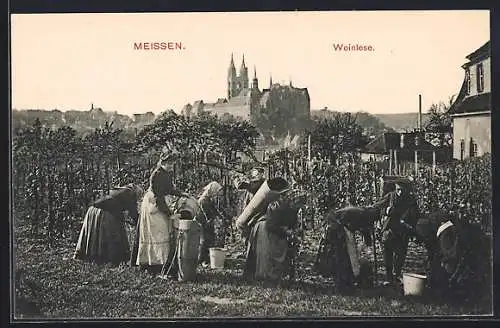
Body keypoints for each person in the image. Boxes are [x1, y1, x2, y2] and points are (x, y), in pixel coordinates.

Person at [132, 149, 190, 275]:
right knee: (157, 231)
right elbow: (159, 198)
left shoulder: (167, 173)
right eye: (168, 163)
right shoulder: (156, 175)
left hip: (159, 201)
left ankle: (161, 261)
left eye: (172, 163)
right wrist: (170, 214)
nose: (170, 166)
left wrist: (181, 193)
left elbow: (169, 189)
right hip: (153, 205)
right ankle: (150, 262)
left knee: (162, 231)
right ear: (162, 162)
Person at [74, 183, 143, 265]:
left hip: (93, 210)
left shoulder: (121, 190)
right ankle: (108, 258)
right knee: (111, 235)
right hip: (104, 212)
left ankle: (93, 256)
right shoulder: (130, 194)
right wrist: (141, 225)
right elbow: (134, 214)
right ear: (137, 193)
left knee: (97, 235)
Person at [244, 189, 301, 282]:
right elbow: (271, 225)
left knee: (279, 251)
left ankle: (274, 276)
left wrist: (293, 233)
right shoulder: (276, 206)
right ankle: (263, 277)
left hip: (276, 230)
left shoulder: (293, 211)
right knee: (265, 255)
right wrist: (285, 231)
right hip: (265, 228)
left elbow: (292, 224)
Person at [372, 180, 419, 286]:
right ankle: (388, 277)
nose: (400, 192)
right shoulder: (390, 196)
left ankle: (397, 275)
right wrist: (385, 211)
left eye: (403, 190)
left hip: (403, 232)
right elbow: (376, 207)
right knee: (387, 254)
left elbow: (416, 214)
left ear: (407, 190)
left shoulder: (410, 200)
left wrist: (408, 221)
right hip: (389, 230)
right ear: (395, 188)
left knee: (400, 255)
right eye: (398, 190)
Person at [236, 167, 266, 259]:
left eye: (257, 173)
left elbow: (241, 185)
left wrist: (238, 178)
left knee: (248, 231)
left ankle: (250, 253)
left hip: (256, 213)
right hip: (251, 211)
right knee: (247, 233)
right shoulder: (255, 183)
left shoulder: (259, 184)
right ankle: (248, 251)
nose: (256, 175)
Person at [195, 181, 224, 266]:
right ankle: (201, 259)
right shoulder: (203, 199)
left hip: (207, 221)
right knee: (204, 240)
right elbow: (204, 210)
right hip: (202, 221)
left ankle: (207, 257)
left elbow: (214, 209)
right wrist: (209, 219)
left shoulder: (209, 198)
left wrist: (219, 215)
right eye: (217, 191)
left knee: (210, 238)